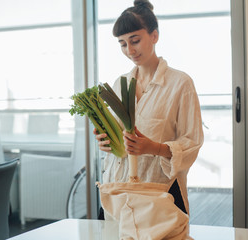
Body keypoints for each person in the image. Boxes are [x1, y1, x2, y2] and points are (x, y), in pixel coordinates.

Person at [94, 0, 204, 219]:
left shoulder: (180, 83)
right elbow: (119, 141)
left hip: (160, 194)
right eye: (123, 44)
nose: (130, 50)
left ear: (154, 36)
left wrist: (153, 147)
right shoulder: (120, 83)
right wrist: (105, 141)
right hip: (119, 192)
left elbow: (192, 142)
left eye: (135, 40)